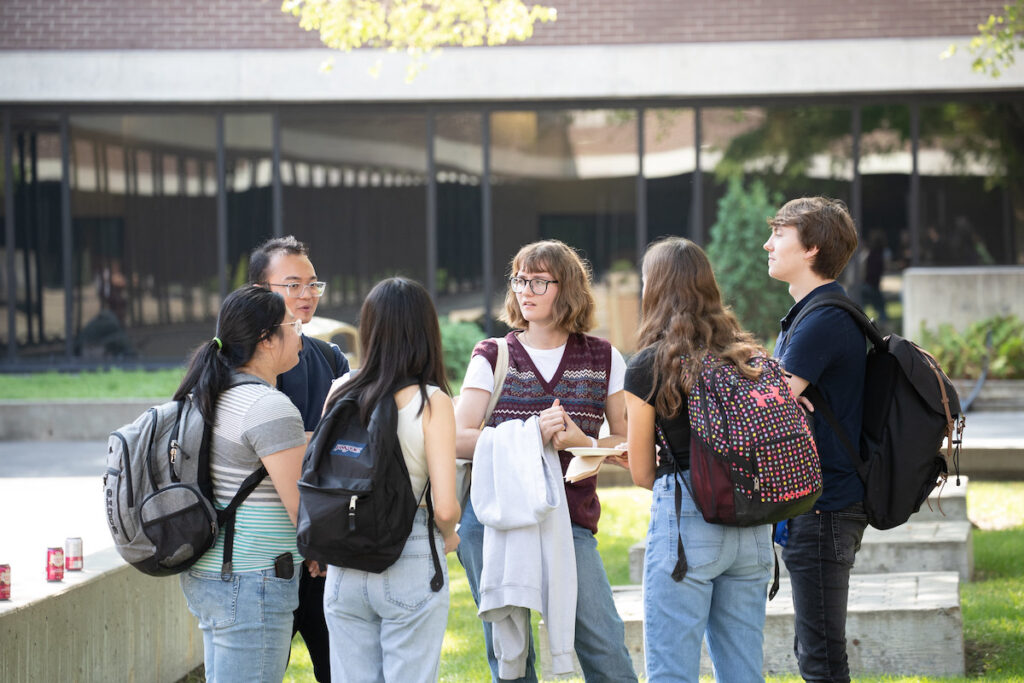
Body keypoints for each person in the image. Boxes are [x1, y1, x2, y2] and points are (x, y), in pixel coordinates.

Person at [454, 239, 637, 683]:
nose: (525, 289)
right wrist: (531, 435)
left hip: (569, 518)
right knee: (510, 656)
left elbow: (628, 445)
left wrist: (578, 439)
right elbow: (456, 439)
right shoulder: (493, 355)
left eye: (538, 280)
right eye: (519, 279)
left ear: (567, 287)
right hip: (495, 521)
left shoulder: (602, 357)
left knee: (604, 645)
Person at [623, 237, 774, 683]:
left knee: (672, 673)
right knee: (745, 671)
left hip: (689, 526)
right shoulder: (746, 356)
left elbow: (642, 473)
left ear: (655, 289)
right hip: (752, 526)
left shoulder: (649, 365)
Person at [321, 277, 460, 683]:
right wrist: (448, 535)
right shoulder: (432, 400)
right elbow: (446, 507)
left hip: (345, 554)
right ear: (425, 331)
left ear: (370, 329)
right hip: (411, 550)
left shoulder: (340, 389)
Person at [176, 285, 309, 683]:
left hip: (211, 573)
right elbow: (303, 509)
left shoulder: (209, 392)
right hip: (253, 581)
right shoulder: (267, 406)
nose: (300, 332)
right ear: (267, 340)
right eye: (293, 324)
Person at [763, 197, 867, 682]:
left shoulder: (823, 318)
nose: (768, 243)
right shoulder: (811, 314)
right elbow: (776, 399)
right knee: (814, 651)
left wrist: (774, 396)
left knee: (821, 658)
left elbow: (764, 405)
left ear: (812, 248)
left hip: (825, 508)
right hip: (817, 504)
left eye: (779, 234)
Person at [249, 235, 349, 683]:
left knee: (342, 669)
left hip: (325, 553)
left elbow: (351, 450)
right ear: (260, 292)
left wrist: (321, 541)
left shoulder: (330, 359)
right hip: (265, 556)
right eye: (293, 284)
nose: (306, 294)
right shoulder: (242, 369)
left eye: (313, 284)